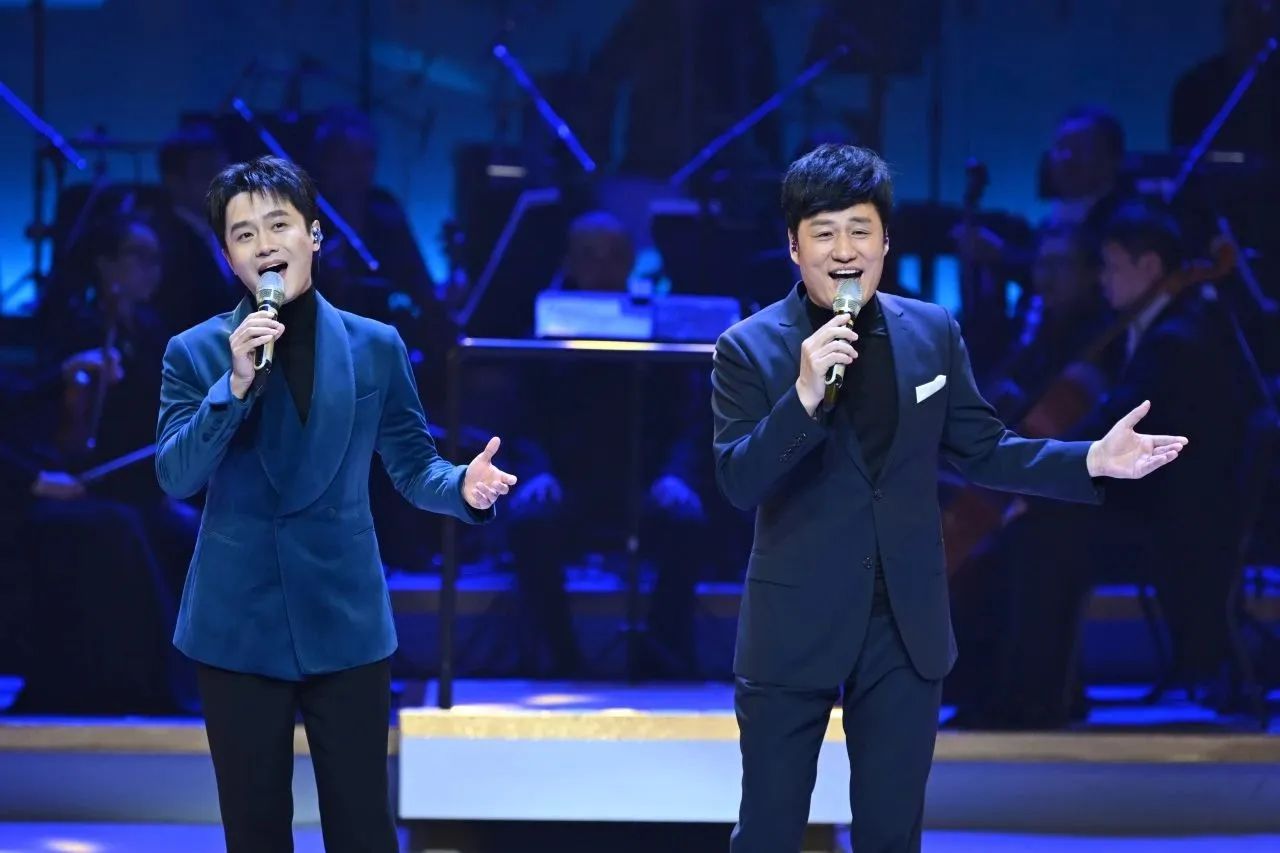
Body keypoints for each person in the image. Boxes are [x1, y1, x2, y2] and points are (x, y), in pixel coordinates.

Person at [710, 144, 1188, 852]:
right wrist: (803, 399)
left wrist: (1090, 458)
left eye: (860, 230)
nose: (844, 250)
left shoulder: (931, 332)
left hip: (905, 622)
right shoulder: (748, 348)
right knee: (769, 832)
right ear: (793, 245)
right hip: (796, 622)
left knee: (892, 834)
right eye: (823, 232)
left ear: (886, 240)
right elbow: (740, 481)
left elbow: (985, 449)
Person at [154, 156, 516, 852]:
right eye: (243, 234)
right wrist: (232, 386)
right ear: (226, 254)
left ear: (314, 235)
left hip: (344, 614)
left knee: (362, 828)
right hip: (238, 620)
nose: (264, 245)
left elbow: (413, 465)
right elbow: (176, 475)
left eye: (279, 225)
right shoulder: (195, 352)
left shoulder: (375, 346)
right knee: (255, 831)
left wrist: (463, 487)